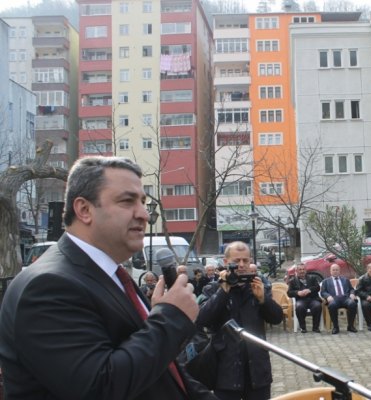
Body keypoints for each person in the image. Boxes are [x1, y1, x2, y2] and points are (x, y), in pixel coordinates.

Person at [0, 156, 214, 399]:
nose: (143, 213)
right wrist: (172, 317)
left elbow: (161, 373)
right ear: (84, 210)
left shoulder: (108, 273)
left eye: (143, 202)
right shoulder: (47, 286)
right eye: (127, 201)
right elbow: (100, 387)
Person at [195, 241, 283, 399]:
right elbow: (202, 320)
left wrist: (263, 299)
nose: (241, 265)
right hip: (226, 369)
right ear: (226, 262)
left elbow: (276, 318)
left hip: (257, 367)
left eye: (245, 260)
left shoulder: (258, 286)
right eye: (236, 261)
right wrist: (223, 292)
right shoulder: (213, 288)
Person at [320, 264, 358, 334]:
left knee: (352, 304)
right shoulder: (326, 281)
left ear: (339, 271)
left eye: (337, 270)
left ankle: (350, 326)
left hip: (346, 298)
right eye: (333, 270)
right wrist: (328, 296)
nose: (335, 271)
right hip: (334, 299)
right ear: (330, 271)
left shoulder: (345, 280)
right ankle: (336, 327)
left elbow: (351, 289)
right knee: (332, 305)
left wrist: (352, 294)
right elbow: (323, 292)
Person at [287, 263, 322, 333]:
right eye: (300, 269)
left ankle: (315, 327)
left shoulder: (312, 278)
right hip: (301, 300)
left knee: (317, 306)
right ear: (296, 271)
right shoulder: (292, 281)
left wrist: (309, 290)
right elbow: (289, 293)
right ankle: (303, 327)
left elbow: (317, 287)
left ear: (305, 270)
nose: (302, 271)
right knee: (299, 307)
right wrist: (297, 293)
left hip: (313, 299)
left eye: (303, 269)